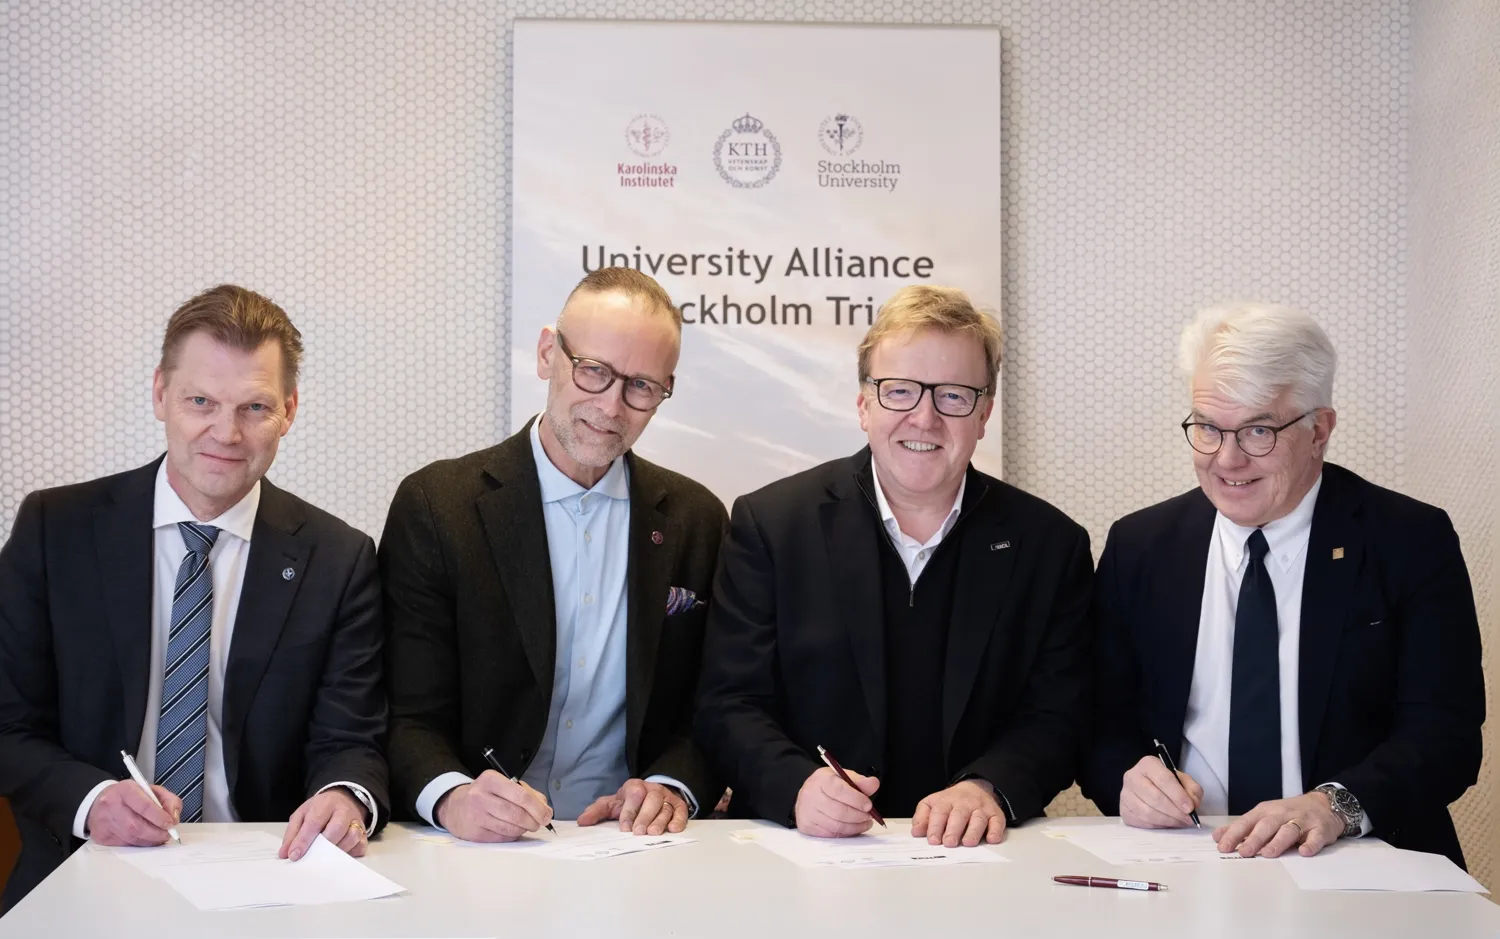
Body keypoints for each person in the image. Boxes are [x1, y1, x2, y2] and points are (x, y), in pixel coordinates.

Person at [0, 285, 388, 909]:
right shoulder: (55, 530)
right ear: (160, 394)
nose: (226, 433)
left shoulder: (337, 558)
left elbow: (349, 740)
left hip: (268, 883)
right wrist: (92, 801)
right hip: (83, 876)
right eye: (200, 401)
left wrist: (345, 797)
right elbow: (9, 722)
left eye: (255, 406)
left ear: (289, 409)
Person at [1081, 302, 1484, 867]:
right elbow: (1099, 723)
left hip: (1358, 857)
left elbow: (1447, 737)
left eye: (1258, 430)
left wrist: (1334, 806)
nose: (1227, 459)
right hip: (1190, 859)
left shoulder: (1409, 539)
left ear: (1319, 430)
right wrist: (1128, 780)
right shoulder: (1140, 545)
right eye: (1207, 428)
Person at [694, 285, 1093, 847]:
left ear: (984, 413)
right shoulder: (771, 525)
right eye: (900, 391)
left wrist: (989, 787)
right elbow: (728, 702)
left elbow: (1061, 714)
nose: (924, 418)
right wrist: (797, 787)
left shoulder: (1051, 546)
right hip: (803, 852)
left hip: (976, 857)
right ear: (864, 406)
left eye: (953, 396)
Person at [382, 267, 726, 842]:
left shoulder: (699, 519)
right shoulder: (437, 506)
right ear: (548, 354)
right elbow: (405, 711)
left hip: (636, 845)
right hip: (475, 847)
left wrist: (673, 785)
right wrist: (451, 796)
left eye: (641, 386)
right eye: (593, 371)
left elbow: (714, 705)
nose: (612, 407)